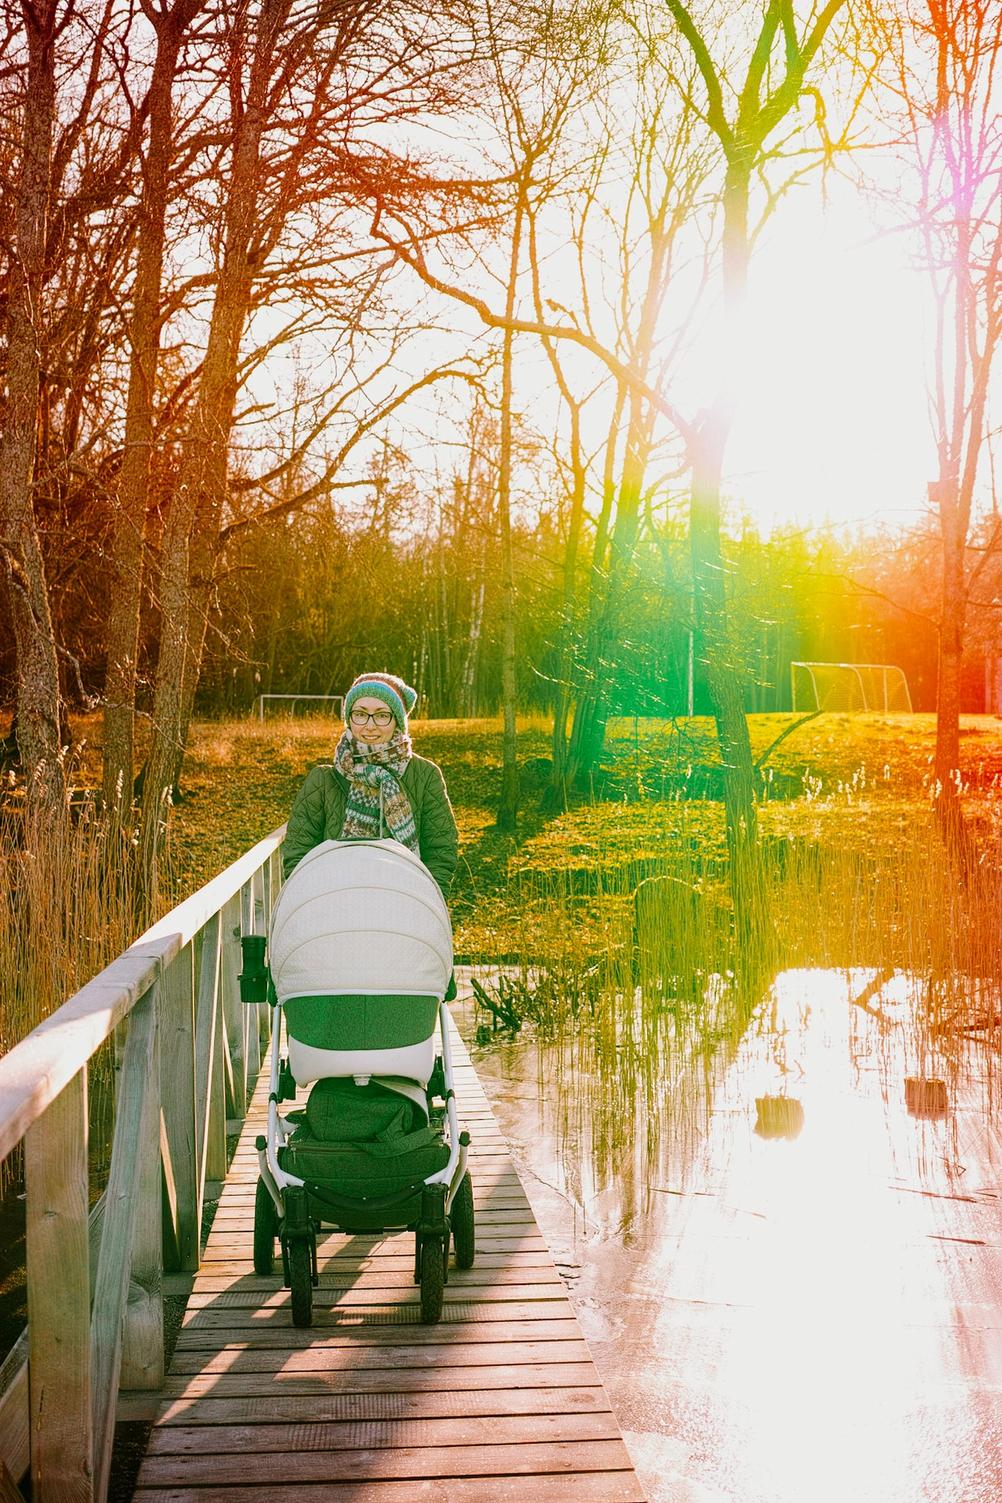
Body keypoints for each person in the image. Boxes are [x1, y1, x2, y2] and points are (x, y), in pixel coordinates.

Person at [282, 672, 458, 900]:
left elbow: (441, 850)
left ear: (397, 721)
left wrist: (428, 901)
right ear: (349, 718)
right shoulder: (323, 780)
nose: (370, 726)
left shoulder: (424, 775)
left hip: (407, 902)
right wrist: (316, 901)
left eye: (382, 715)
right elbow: (298, 852)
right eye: (360, 714)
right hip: (333, 904)